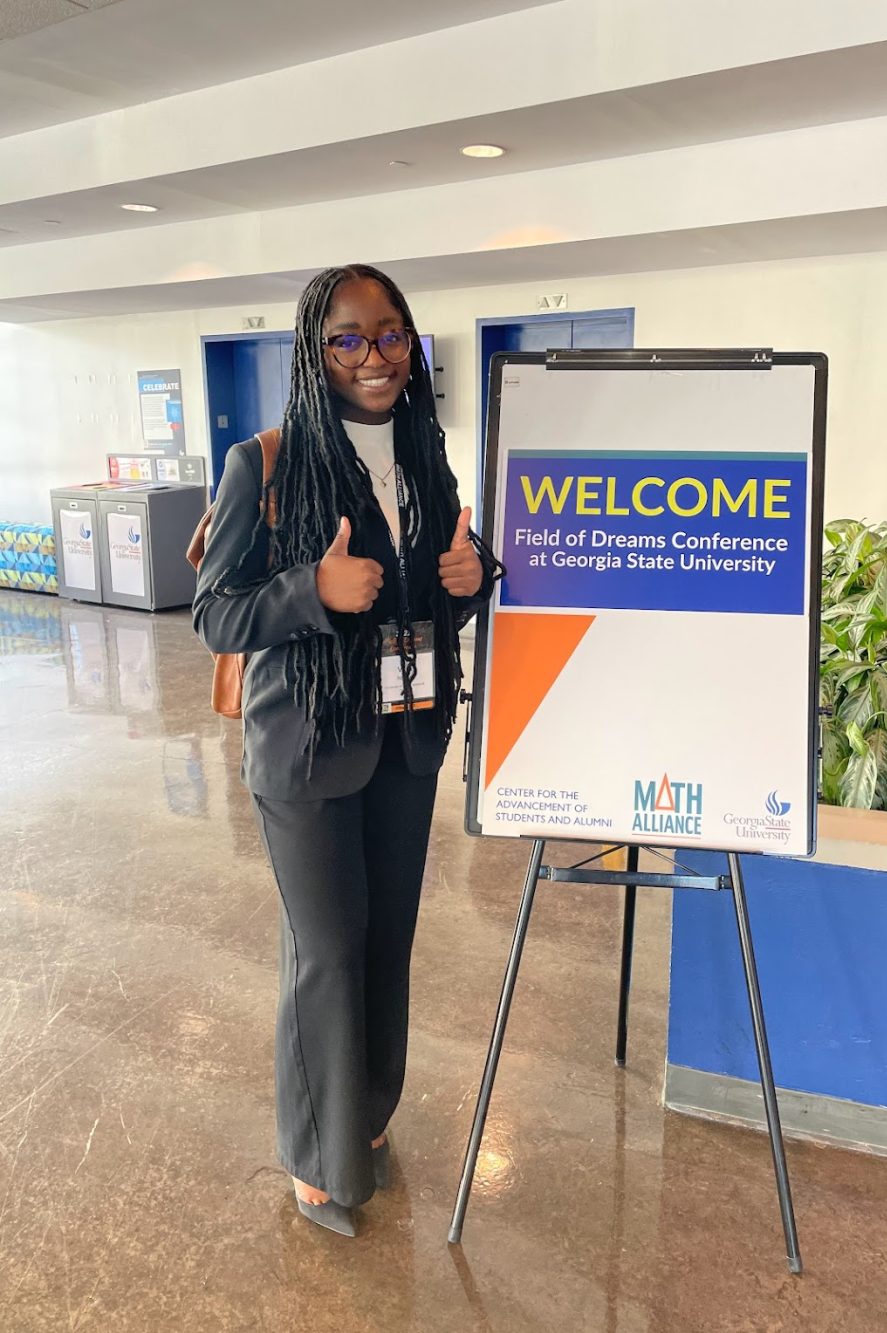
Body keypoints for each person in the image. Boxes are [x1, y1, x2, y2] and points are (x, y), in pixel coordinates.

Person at [193, 264, 500, 1237]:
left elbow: (430, 587)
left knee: (384, 941)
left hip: (405, 740)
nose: (373, 357)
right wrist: (307, 593)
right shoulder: (266, 460)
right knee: (324, 949)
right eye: (349, 339)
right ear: (314, 352)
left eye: (390, 334)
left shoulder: (426, 453)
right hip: (308, 744)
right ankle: (316, 1154)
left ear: (413, 345)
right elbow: (214, 612)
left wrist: (468, 576)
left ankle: (364, 1115)